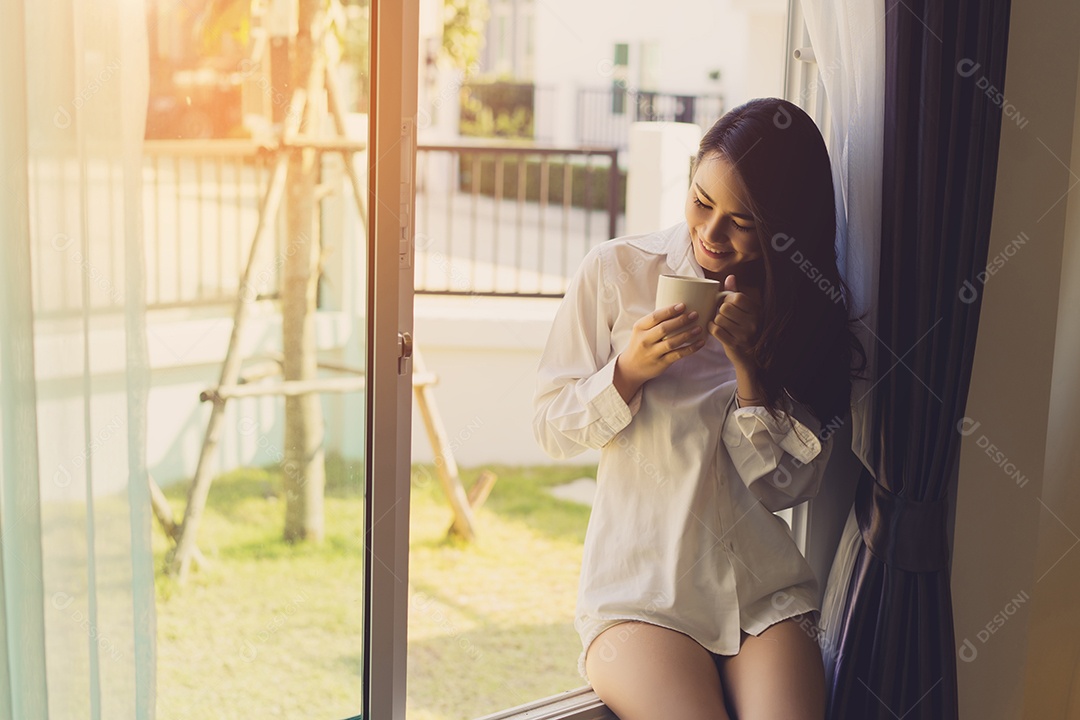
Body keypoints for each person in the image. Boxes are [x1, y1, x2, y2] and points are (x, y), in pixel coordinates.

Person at [533, 98, 864, 720]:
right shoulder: (617, 272)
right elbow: (550, 426)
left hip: (761, 594)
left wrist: (751, 372)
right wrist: (628, 372)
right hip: (639, 596)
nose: (711, 236)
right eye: (702, 201)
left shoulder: (802, 312)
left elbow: (787, 487)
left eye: (743, 223)